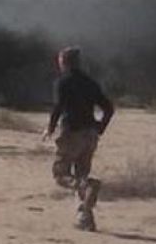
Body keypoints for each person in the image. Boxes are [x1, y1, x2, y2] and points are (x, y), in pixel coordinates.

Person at [42, 46, 114, 232]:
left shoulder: (62, 82)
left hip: (71, 132)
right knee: (81, 173)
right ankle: (85, 217)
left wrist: (50, 128)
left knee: (61, 175)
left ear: (64, 62)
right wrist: (100, 127)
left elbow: (58, 107)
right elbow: (108, 108)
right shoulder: (90, 82)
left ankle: (88, 186)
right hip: (90, 135)